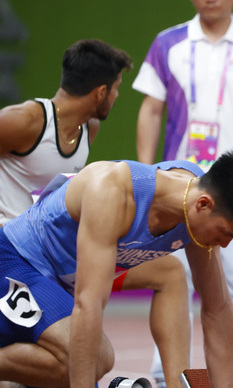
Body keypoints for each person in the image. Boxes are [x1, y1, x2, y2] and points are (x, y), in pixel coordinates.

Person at [0, 39, 193, 388]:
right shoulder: (26, 120)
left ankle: (177, 384)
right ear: (101, 92)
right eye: (117, 90)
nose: (117, 98)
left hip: (64, 248)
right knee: (85, 356)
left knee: (171, 273)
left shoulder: (89, 129)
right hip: (16, 251)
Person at [0, 148, 233, 388]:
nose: (225, 245)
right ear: (203, 205)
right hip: (19, 261)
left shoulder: (199, 199)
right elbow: (89, 303)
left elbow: (217, 308)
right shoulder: (112, 192)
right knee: (97, 358)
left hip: (69, 272)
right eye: (227, 234)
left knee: (170, 273)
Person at [132, 1, 233, 385]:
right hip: (182, 189)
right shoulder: (167, 43)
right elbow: (151, 110)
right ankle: (164, 374)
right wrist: (146, 173)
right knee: (172, 282)